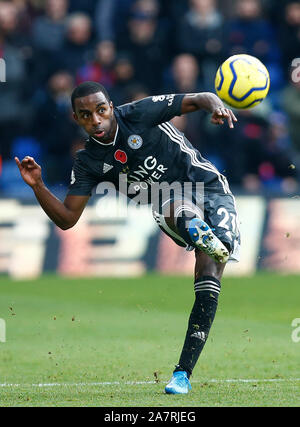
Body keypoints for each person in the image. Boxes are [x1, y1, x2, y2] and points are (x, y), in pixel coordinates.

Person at [15, 81, 240, 394]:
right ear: (76, 119)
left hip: (212, 189)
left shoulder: (140, 112)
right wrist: (38, 185)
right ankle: (197, 232)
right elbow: (67, 219)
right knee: (181, 215)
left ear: (111, 106)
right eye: (86, 115)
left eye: (101, 110)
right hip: (169, 204)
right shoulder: (89, 161)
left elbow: (199, 98)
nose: (96, 120)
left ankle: (183, 373)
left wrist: (215, 105)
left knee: (212, 271)